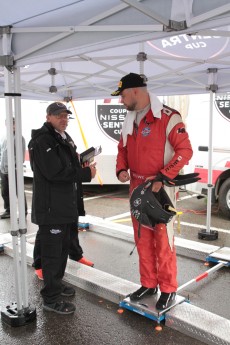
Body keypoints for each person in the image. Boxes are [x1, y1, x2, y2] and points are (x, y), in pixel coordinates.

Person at [111, 73, 193, 311]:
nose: (121, 101)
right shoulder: (130, 119)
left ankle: (168, 288)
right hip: (136, 188)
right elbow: (121, 149)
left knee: (163, 242)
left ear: (136, 91)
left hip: (160, 189)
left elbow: (185, 151)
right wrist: (121, 169)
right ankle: (148, 284)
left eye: (123, 95)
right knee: (142, 240)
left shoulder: (168, 117)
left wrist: (163, 176)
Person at [28, 102, 97, 315]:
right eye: (59, 116)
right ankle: (51, 298)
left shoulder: (63, 137)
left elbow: (69, 165)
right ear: (48, 116)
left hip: (65, 206)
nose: (64, 119)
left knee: (63, 249)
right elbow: (54, 173)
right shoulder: (42, 140)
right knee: (52, 254)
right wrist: (85, 174)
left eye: (66, 116)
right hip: (51, 208)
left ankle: (56, 284)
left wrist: (82, 165)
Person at [0, 118, 27, 219]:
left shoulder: (19, 137)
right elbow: (1, 152)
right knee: (5, 192)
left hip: (14, 170)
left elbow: (20, 155)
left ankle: (23, 212)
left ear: (16, 125)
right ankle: (9, 211)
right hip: (3, 170)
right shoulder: (4, 137)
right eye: (9, 124)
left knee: (18, 191)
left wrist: (15, 167)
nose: (11, 126)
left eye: (13, 124)